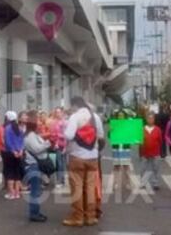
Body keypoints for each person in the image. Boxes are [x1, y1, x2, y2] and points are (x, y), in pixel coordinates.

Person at [63, 96, 104, 227]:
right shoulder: (95, 117)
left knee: (77, 188)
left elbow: (68, 135)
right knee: (91, 187)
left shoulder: (75, 117)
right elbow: (101, 136)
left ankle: (78, 217)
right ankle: (90, 216)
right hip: (92, 156)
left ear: (75, 105)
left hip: (77, 156)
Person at [24, 110, 51, 223]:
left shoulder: (33, 134)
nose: (40, 123)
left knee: (37, 190)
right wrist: (47, 143)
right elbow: (37, 149)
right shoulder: (30, 136)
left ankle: (36, 212)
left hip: (35, 165)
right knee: (35, 191)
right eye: (38, 120)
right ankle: (34, 213)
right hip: (33, 165)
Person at [3, 111, 24, 200]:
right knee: (17, 172)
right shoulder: (19, 128)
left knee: (9, 172)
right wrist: (20, 150)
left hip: (9, 153)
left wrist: (13, 151)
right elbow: (22, 141)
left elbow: (7, 142)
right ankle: (17, 192)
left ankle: (11, 193)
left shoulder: (7, 128)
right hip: (19, 152)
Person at [139, 113, 162, 191]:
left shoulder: (158, 129)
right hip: (144, 152)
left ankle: (155, 183)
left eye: (152, 118)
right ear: (146, 119)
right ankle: (143, 183)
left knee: (156, 168)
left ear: (154, 120)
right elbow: (139, 140)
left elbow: (160, 141)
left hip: (155, 152)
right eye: (149, 118)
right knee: (143, 168)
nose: (150, 120)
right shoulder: (142, 129)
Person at [111, 110, 133, 192]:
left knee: (126, 166)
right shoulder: (114, 125)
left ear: (124, 117)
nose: (120, 117)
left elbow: (132, 136)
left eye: (122, 115)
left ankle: (127, 183)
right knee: (116, 166)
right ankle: (115, 183)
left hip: (125, 149)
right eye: (119, 115)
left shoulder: (127, 125)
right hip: (116, 149)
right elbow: (110, 136)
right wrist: (111, 131)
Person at [49, 107, 68, 188]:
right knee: (59, 163)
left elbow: (68, 135)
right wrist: (54, 141)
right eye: (56, 112)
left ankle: (61, 180)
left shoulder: (66, 122)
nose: (58, 114)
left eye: (59, 112)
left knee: (62, 163)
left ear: (62, 113)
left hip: (64, 145)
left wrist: (66, 147)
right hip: (57, 145)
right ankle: (60, 180)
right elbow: (52, 134)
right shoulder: (54, 123)